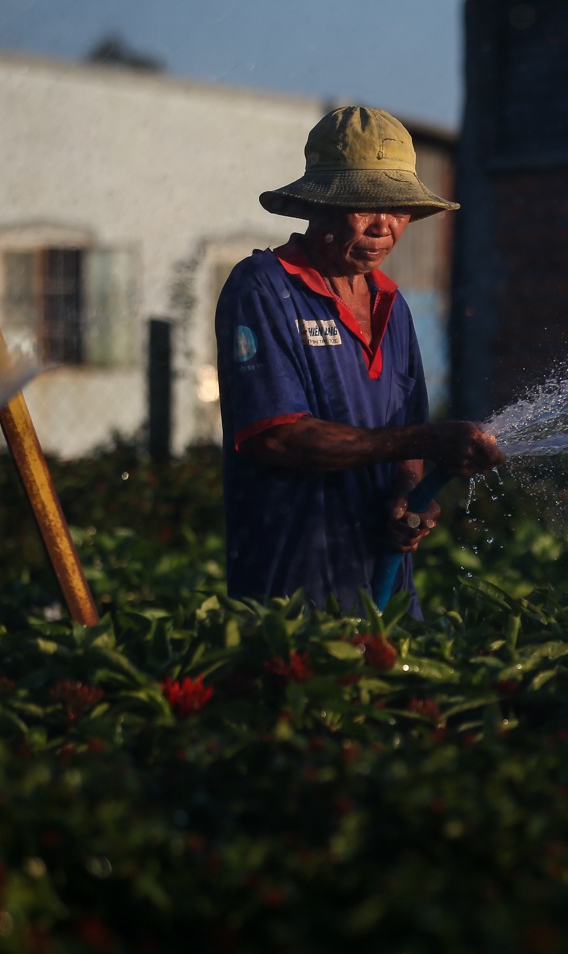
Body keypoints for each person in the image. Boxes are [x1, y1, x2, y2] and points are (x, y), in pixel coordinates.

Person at [215, 106, 503, 614]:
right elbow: (277, 436)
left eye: (398, 208)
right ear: (318, 207)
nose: (383, 226)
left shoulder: (393, 306)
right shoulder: (264, 287)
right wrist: (426, 440)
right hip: (291, 595)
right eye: (365, 205)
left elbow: (406, 438)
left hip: (384, 592)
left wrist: (408, 492)